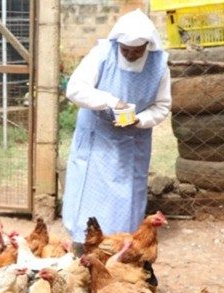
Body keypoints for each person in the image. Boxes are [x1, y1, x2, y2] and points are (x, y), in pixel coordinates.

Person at [62, 9, 171, 255]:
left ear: (147, 45)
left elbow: (162, 106)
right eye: (126, 50)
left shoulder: (159, 65)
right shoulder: (102, 54)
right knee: (89, 194)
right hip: (97, 138)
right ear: (117, 43)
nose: (131, 55)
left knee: (126, 198)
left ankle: (118, 247)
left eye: (137, 51)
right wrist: (110, 101)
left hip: (132, 142)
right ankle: (82, 244)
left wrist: (140, 119)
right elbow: (75, 89)